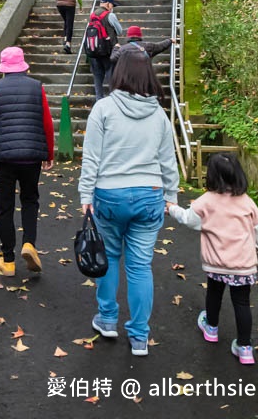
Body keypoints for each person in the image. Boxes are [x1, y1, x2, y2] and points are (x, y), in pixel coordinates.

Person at [78, 51, 179, 356]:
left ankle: (107, 319)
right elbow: (167, 160)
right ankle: (138, 336)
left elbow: (92, 158)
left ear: (118, 73)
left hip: (110, 194)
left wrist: (86, 195)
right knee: (139, 267)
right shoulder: (159, 114)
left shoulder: (104, 109)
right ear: (149, 75)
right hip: (149, 195)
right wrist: (171, 195)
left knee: (107, 257)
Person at [168, 153, 258, 366]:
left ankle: (211, 328)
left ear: (211, 176)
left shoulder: (206, 201)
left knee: (214, 294)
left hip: (217, 263)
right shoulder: (247, 202)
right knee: (242, 303)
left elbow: (189, 219)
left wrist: (172, 208)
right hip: (243, 265)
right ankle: (245, 348)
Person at [0, 46, 54, 277]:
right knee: (30, 200)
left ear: (3, 69)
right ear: (24, 66)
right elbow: (47, 122)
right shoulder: (36, 87)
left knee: (5, 206)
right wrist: (48, 153)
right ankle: (29, 243)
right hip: (31, 155)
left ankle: (8, 261)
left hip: (4, 157)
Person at [85, 0, 122, 99]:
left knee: (97, 78)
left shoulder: (92, 15)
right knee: (111, 77)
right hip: (108, 51)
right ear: (108, 4)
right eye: (112, 5)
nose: (112, 8)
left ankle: (99, 101)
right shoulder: (110, 15)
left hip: (93, 50)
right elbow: (120, 31)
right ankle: (113, 100)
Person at [110, 25, 174, 65]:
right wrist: (170, 40)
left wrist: (116, 48)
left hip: (128, 78)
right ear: (140, 35)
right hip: (144, 77)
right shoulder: (148, 46)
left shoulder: (123, 49)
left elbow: (113, 59)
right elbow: (161, 46)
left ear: (128, 36)